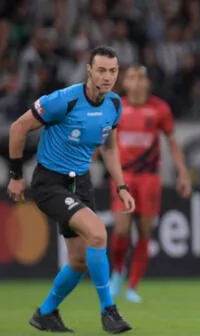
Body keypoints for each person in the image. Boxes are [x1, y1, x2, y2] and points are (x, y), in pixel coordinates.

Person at [6, 46, 133, 334]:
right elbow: (18, 128)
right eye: (101, 70)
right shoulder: (64, 100)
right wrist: (15, 176)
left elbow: (110, 148)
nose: (107, 76)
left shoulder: (114, 104)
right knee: (98, 233)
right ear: (89, 70)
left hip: (81, 182)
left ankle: (46, 313)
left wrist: (121, 185)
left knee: (77, 261)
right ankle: (109, 311)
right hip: (50, 182)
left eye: (112, 71)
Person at [108, 65, 192, 303]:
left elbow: (173, 143)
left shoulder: (159, 109)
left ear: (147, 84)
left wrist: (183, 173)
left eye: (141, 78)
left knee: (144, 231)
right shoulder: (115, 107)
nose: (136, 82)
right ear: (124, 83)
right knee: (122, 229)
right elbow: (105, 140)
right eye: (132, 77)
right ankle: (118, 271)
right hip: (122, 177)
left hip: (149, 178)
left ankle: (133, 286)